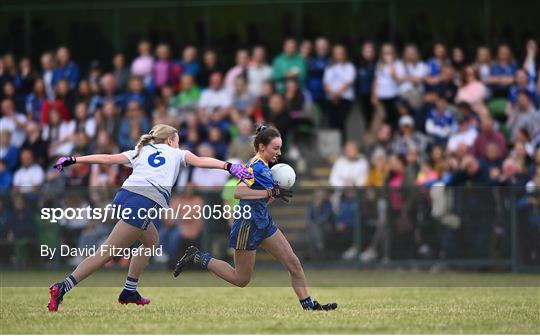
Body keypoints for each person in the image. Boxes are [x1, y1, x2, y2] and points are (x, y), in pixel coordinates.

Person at [47, 124, 252, 312]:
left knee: (151, 242)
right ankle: (63, 286)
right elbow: (201, 161)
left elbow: (108, 158)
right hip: (143, 202)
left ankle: (130, 290)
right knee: (107, 252)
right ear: (171, 140)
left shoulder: (141, 150)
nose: (178, 143)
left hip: (124, 197)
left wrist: (74, 159)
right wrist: (228, 166)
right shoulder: (176, 153)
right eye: (177, 139)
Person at [173, 125, 337, 311]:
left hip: (263, 222)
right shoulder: (255, 166)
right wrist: (269, 191)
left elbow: (262, 198)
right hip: (247, 225)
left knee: (294, 264)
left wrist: (272, 195)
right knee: (241, 279)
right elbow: (238, 192)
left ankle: (309, 306)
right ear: (262, 147)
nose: (279, 152)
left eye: (280, 147)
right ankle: (197, 257)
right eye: (275, 148)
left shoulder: (266, 167)